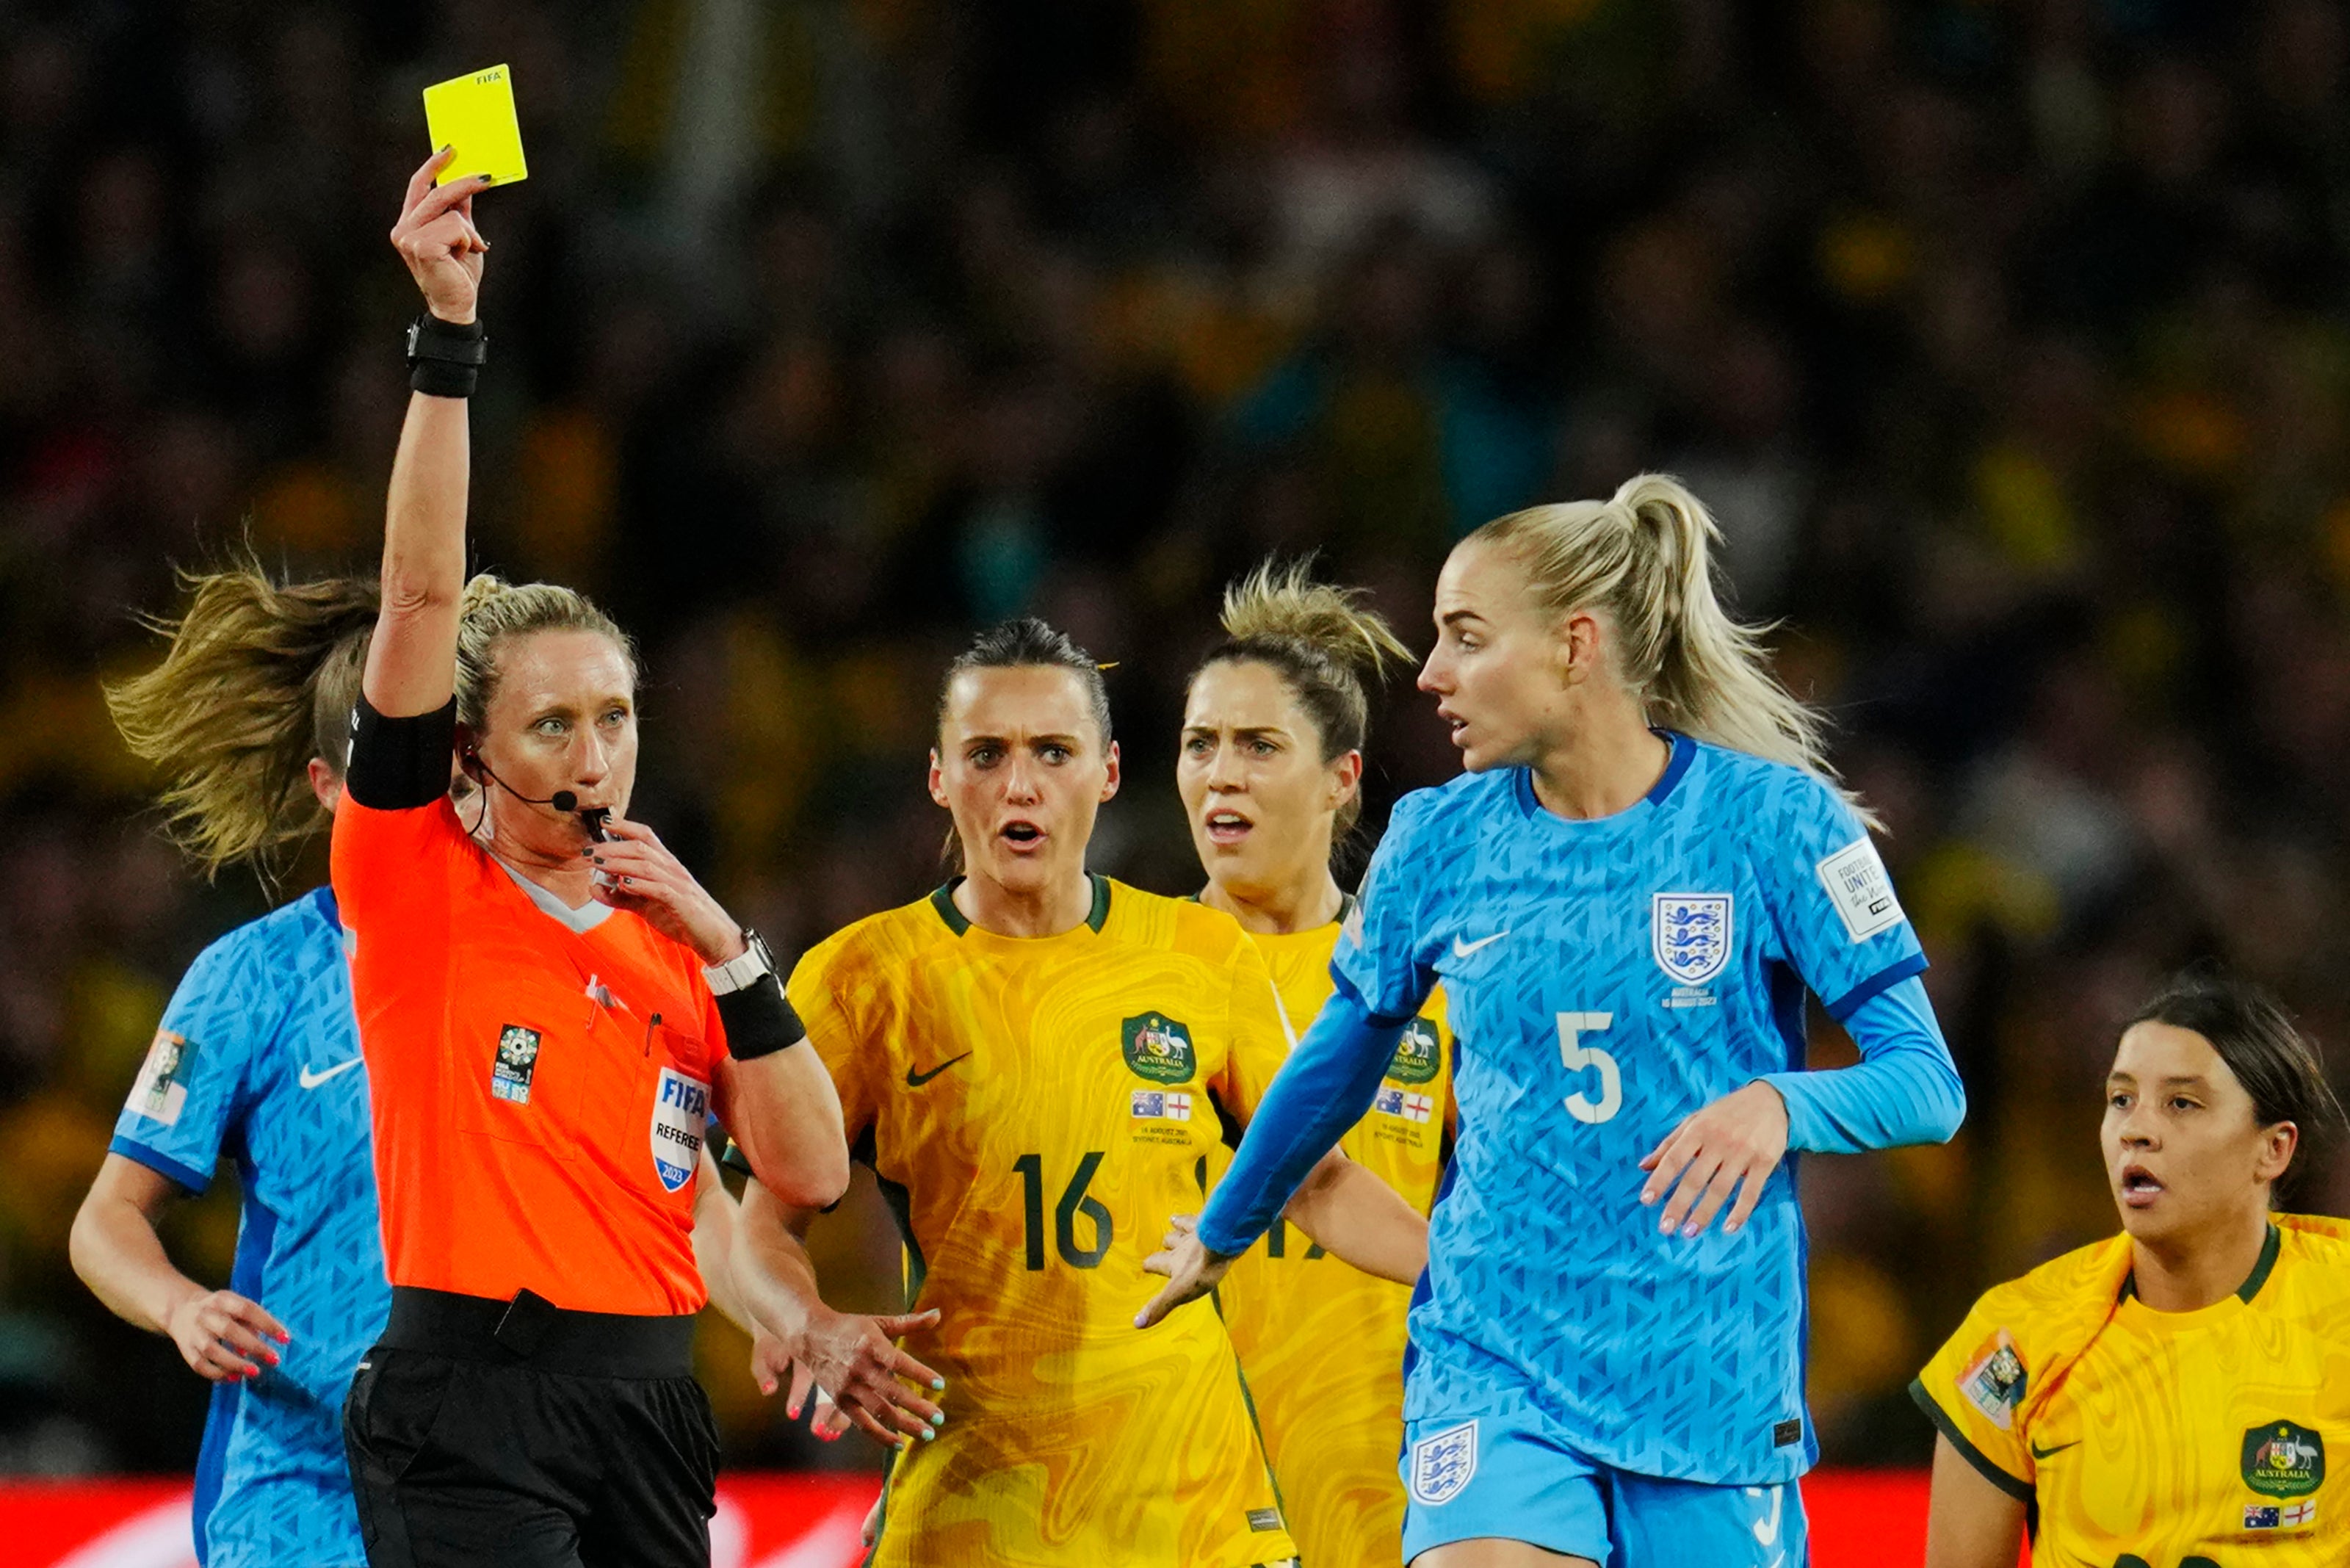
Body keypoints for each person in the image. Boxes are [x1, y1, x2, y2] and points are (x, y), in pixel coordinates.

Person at [1140, 473, 1968, 1568]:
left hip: (1706, 1371)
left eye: (1467, 638)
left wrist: (1781, 1101)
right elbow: (1337, 1062)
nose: (1429, 674)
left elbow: (1927, 1081)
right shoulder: (1438, 837)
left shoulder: (1773, 823)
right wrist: (1224, 1225)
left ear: (1577, 645)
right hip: (1497, 1354)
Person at [332, 150, 847, 1568]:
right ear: (467, 756)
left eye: (613, 718)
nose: (593, 754)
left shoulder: (674, 939)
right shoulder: (415, 883)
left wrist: (731, 946)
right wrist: (448, 341)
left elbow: (812, 1169)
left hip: (651, 1403)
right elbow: (423, 590)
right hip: (467, 1400)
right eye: (552, 722)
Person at [728, 616, 1430, 1568]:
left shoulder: (1202, 955)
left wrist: (1479, 1277)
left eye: (1052, 751)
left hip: (1196, 1515)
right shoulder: (863, 974)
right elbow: (760, 1224)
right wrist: (810, 1325)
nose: (1020, 784)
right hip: (978, 1505)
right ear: (940, 777)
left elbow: (1320, 1181)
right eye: (986, 753)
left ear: (1106, 770)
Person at [69, 566, 386, 1568]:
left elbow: (673, 1185)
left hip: (498, 1482)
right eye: (388, 772)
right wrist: (181, 1304)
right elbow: (105, 1217)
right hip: (294, 1495)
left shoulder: (541, 966)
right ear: (325, 786)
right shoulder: (251, 977)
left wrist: (791, 1311)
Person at [1176, 559, 1458, 1568]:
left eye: (1259, 745)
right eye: (1200, 744)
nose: (1221, 773)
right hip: (1178, 1492)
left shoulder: (1435, 987)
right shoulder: (1131, 971)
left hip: (1396, 1484)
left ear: (1343, 777)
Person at [1915, 969, 2350, 1567]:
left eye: (2182, 1103)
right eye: (2121, 1099)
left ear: (2273, 1148)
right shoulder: (2017, 1337)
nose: (2137, 1131)